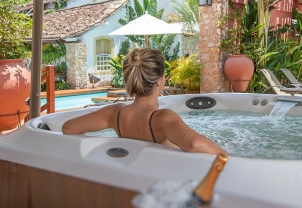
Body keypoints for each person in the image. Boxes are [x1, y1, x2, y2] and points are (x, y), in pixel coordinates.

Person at [62, 48, 227, 155]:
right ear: (159, 81)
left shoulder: (115, 114)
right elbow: (194, 144)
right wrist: (232, 160)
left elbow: (68, 127)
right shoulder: (162, 119)